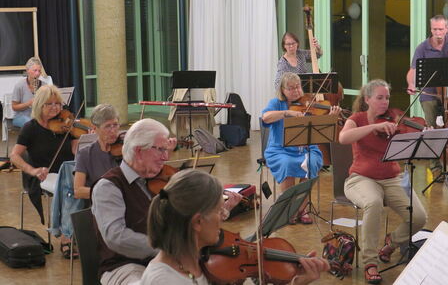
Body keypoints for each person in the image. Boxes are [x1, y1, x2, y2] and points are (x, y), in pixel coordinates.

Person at [140, 168, 330, 285]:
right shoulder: (165, 280)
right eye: (218, 211)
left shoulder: (197, 258)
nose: (223, 217)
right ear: (198, 222)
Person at [92, 118, 214, 285]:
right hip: (125, 267)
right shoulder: (108, 187)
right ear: (139, 151)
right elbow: (116, 237)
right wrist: (164, 249)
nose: (165, 157)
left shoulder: (163, 180)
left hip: (171, 260)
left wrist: (216, 208)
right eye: (161, 150)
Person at [338, 79, 428, 284]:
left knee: (420, 217)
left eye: (387, 98)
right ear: (367, 99)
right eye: (379, 98)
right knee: (374, 203)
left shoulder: (394, 120)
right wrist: (373, 127)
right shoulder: (357, 119)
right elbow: (344, 138)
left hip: (393, 178)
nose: (385, 102)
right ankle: (370, 262)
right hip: (361, 179)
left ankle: (391, 243)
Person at [9, 84, 79, 258]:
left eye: (58, 104)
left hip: (67, 173)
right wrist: (32, 170)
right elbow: (15, 156)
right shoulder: (30, 128)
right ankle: (65, 237)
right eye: (50, 104)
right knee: (70, 189)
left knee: (91, 185)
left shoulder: (66, 126)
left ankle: (85, 232)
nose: (55, 107)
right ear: (40, 105)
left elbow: (75, 151)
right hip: (43, 176)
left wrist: (83, 138)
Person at [261, 72, 341, 224]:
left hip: (307, 148)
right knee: (287, 164)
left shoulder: (308, 102)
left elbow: (321, 127)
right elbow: (266, 117)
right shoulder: (276, 103)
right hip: (280, 149)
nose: (296, 90)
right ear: (282, 90)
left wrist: (332, 117)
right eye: (290, 88)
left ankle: (301, 208)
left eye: (298, 87)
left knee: (312, 162)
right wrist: (286, 113)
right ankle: (288, 208)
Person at [73, 104, 122, 200]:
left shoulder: (125, 150)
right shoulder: (85, 154)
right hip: (99, 206)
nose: (113, 131)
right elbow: (78, 191)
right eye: (107, 126)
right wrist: (106, 192)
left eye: (115, 125)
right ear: (94, 128)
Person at [11, 57, 48, 128]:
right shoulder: (19, 85)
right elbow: (14, 107)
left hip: (39, 116)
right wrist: (29, 104)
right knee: (33, 123)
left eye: (39, 71)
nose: (37, 74)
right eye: (35, 70)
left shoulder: (44, 85)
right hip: (21, 116)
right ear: (27, 70)